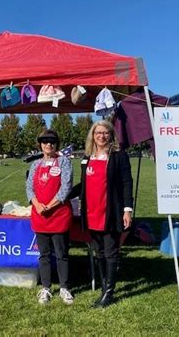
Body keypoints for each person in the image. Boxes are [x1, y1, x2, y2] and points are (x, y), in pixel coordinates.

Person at [77, 120, 133, 308]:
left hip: (110, 212)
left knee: (111, 252)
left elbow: (127, 183)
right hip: (91, 212)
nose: (101, 136)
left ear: (111, 135)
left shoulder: (118, 156)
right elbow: (82, 185)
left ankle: (109, 293)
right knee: (99, 251)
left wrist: (127, 210)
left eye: (105, 133)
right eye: (98, 133)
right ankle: (104, 287)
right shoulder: (87, 157)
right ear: (93, 136)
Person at [25, 129, 74, 305]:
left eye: (52, 141)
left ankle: (64, 287)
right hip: (40, 215)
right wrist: (37, 205)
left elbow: (66, 187)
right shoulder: (35, 165)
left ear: (56, 144)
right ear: (40, 144)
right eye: (45, 141)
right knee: (44, 254)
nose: (48, 144)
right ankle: (45, 287)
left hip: (59, 214)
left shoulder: (64, 162)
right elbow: (29, 187)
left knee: (61, 254)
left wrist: (51, 205)